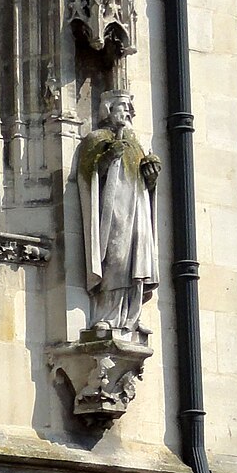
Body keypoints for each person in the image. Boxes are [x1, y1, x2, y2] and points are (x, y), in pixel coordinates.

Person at [76, 89, 161, 336]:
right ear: (108, 110)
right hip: (113, 211)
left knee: (138, 259)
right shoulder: (96, 138)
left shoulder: (136, 145)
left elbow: (147, 184)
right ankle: (107, 315)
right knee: (116, 257)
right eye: (122, 107)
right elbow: (87, 175)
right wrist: (108, 156)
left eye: (129, 108)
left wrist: (151, 174)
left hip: (138, 210)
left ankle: (131, 317)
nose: (128, 112)